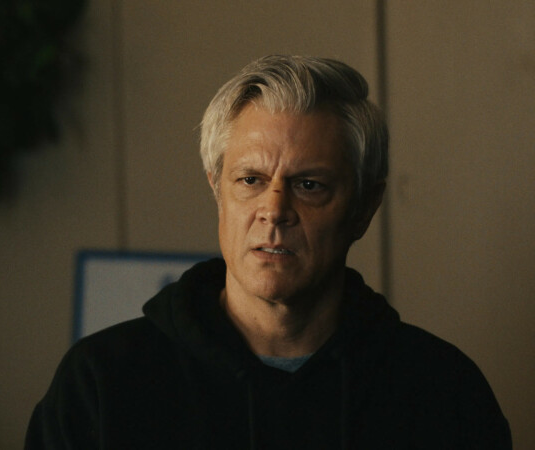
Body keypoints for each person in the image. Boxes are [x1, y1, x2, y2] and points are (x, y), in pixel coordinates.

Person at [25, 55, 511, 449]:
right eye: (250, 180)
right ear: (218, 191)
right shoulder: (102, 384)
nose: (274, 210)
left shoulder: (444, 392)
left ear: (365, 208)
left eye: (309, 185)